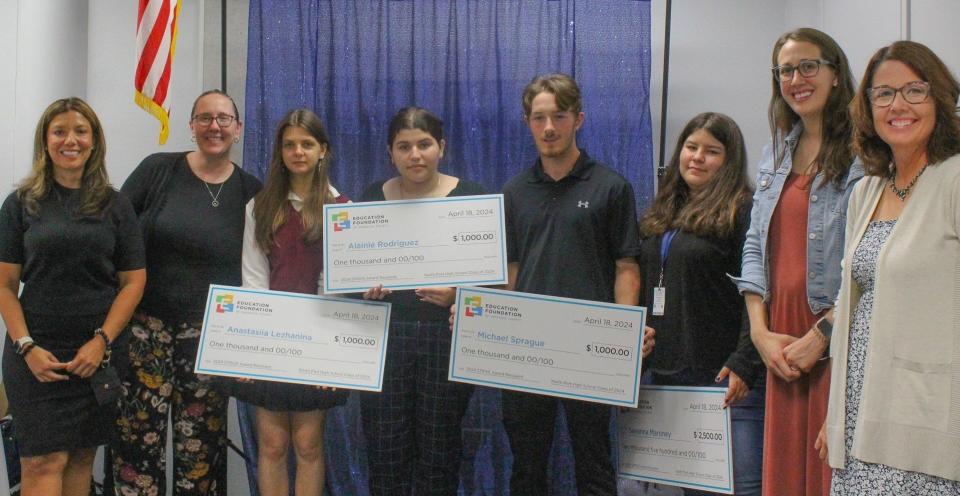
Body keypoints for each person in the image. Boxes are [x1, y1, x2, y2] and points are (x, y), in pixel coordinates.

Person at [817, 40, 960, 494]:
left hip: (930, 420)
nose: (898, 105)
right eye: (883, 93)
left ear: (939, 97)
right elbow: (852, 307)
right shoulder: (867, 191)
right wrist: (835, 416)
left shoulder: (955, 180)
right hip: (861, 414)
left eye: (914, 91)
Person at [500, 73, 653, 495]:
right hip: (527, 351)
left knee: (594, 464)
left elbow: (627, 266)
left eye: (559, 116)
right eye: (539, 118)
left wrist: (625, 332)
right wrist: (495, 327)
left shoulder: (611, 187)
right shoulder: (514, 192)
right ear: (528, 122)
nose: (549, 128)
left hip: (590, 350)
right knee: (527, 468)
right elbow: (509, 271)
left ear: (578, 119)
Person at [109, 89, 262, 495]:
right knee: (135, 448)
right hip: (145, 332)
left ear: (238, 128)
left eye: (224, 119)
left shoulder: (252, 192)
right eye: (205, 118)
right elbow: (116, 237)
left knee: (201, 455)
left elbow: (263, 270)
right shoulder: (157, 170)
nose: (215, 126)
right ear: (191, 126)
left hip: (212, 339)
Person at [734, 28, 862, 496]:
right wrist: (759, 332)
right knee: (786, 478)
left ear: (834, 74)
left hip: (835, 334)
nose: (796, 78)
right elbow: (754, 245)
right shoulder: (777, 152)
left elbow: (867, 261)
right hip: (781, 341)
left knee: (831, 477)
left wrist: (823, 334)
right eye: (786, 70)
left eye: (809, 66)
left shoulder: (864, 154)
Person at [0, 97, 146, 496]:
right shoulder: (20, 204)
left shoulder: (116, 205)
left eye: (81, 131)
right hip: (35, 353)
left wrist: (100, 342)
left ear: (95, 141)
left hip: (96, 355)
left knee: (81, 458)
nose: (71, 140)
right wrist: (26, 346)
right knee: (42, 460)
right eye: (59, 131)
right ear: (45, 141)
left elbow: (133, 283)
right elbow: (4, 286)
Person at [222, 108, 350, 496]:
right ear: (280, 151)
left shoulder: (340, 207)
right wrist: (253, 349)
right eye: (290, 144)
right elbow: (254, 280)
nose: (298, 152)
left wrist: (321, 355)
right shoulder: (259, 207)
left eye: (307, 144)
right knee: (273, 444)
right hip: (271, 341)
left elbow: (335, 284)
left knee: (308, 444)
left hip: (317, 344)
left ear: (322, 150)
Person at [360, 107, 484, 495]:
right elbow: (352, 271)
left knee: (439, 451)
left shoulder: (473, 200)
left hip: (445, 341)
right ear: (390, 153)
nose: (415, 154)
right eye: (404, 146)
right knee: (385, 450)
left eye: (424, 144)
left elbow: (495, 287)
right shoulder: (370, 199)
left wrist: (457, 297)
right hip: (386, 341)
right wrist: (365, 288)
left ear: (441, 147)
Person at [638, 112, 763, 495]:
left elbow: (756, 291)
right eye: (691, 147)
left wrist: (745, 360)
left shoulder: (743, 210)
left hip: (721, 380)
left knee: (729, 489)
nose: (697, 157)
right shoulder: (664, 210)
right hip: (664, 375)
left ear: (729, 160)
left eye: (712, 151)